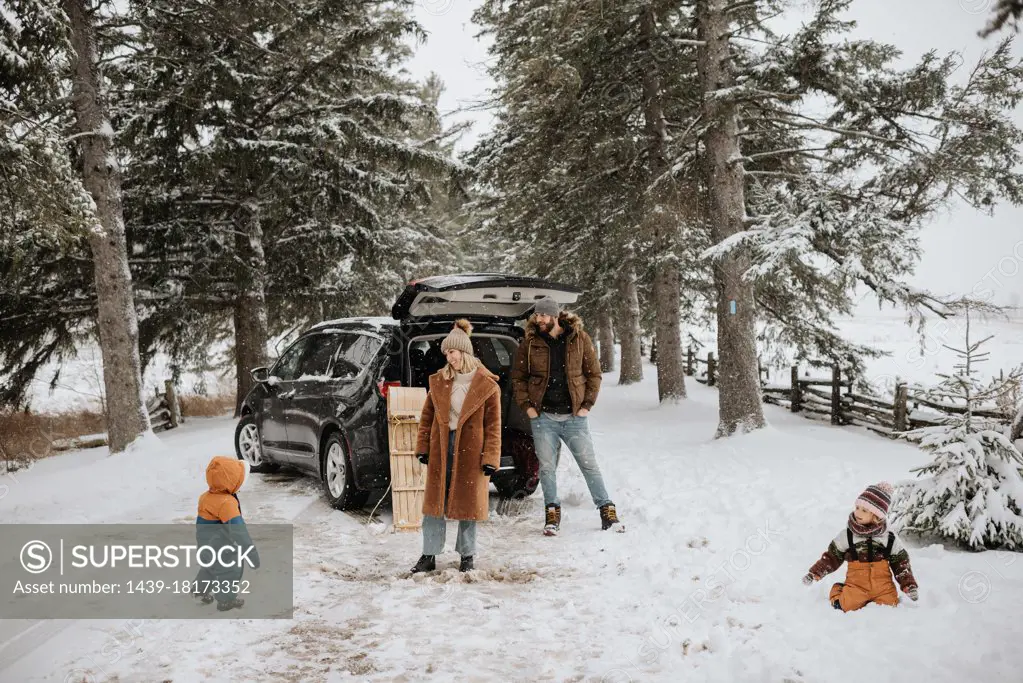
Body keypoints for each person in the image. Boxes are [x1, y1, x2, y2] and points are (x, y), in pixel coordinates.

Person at [510, 297, 620, 535]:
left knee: (589, 465)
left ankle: (606, 509)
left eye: (543, 316)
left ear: (555, 316)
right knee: (547, 468)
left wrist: (586, 406)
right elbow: (518, 378)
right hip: (544, 419)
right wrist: (528, 407)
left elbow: (594, 374)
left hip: (574, 418)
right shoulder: (529, 343)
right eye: (537, 316)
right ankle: (552, 512)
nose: (539, 320)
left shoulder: (579, 338)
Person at [410, 319, 502, 573]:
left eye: (452, 352)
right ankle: (428, 555)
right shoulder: (439, 381)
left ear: (464, 351)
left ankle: (467, 557)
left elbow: (494, 425)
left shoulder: (488, 385)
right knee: (434, 504)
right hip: (441, 446)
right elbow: (427, 417)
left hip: (472, 450)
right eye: (446, 353)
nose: (449, 357)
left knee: (468, 504)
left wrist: (491, 457)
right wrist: (423, 447)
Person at [802, 481, 919, 611]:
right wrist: (814, 573)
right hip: (857, 586)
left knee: (890, 607)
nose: (858, 513)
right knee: (845, 606)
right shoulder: (848, 535)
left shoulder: (889, 538)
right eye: (857, 508)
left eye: (864, 510)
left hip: (883, 587)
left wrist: (908, 584)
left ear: (876, 516)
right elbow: (832, 557)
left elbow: (901, 563)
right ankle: (839, 589)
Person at [194, 455, 260, 612]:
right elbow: (239, 531)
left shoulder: (206, 497)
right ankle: (225, 601)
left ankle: (199, 590)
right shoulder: (226, 503)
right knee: (231, 570)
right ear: (230, 482)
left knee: (210, 567)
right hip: (221, 545)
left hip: (205, 543)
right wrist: (251, 554)